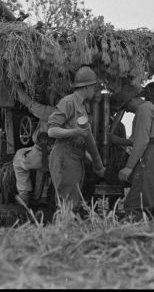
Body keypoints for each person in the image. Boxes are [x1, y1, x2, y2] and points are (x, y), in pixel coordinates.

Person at [47, 66, 105, 210]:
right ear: (87, 87)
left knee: (72, 202)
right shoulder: (68, 102)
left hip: (75, 156)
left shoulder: (83, 106)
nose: (95, 90)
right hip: (65, 155)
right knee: (67, 205)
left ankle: (67, 230)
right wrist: (76, 132)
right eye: (94, 87)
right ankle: (64, 231)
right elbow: (52, 131)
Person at [113, 84, 154, 218]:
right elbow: (141, 139)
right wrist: (116, 140)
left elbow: (141, 141)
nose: (127, 111)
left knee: (135, 207)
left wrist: (128, 168)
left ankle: (132, 238)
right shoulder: (150, 109)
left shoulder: (143, 110)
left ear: (132, 100)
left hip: (150, 158)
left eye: (126, 107)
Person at [12, 88, 55, 207]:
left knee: (18, 158)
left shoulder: (50, 111)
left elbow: (31, 105)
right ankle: (42, 196)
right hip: (58, 154)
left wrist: (18, 91)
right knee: (44, 169)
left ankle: (24, 194)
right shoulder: (71, 112)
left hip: (44, 152)